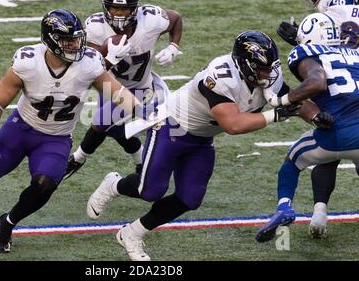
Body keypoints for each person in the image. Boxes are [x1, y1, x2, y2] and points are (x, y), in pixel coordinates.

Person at [0, 9, 152, 254]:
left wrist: (146, 114)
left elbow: (119, 93)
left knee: (45, 184)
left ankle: (8, 221)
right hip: (21, 129)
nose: (75, 44)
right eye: (67, 40)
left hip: (56, 138)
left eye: (77, 38)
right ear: (50, 40)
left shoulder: (90, 63)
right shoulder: (28, 61)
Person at [85, 31, 331, 261]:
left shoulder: (268, 74)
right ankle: (113, 184)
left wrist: (317, 116)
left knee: (190, 198)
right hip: (172, 126)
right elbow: (233, 125)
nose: (268, 74)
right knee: (150, 190)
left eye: (270, 68)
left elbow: (296, 99)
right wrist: (276, 115)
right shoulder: (220, 77)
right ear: (243, 64)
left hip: (201, 138)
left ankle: (132, 233)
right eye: (262, 69)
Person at [65, 0, 183, 178]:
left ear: (135, 8)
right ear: (106, 7)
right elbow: (86, 64)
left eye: (124, 9)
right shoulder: (94, 27)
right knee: (113, 129)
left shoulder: (152, 19)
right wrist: (108, 55)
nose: (119, 14)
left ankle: (77, 159)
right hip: (109, 85)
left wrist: (173, 46)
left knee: (101, 122)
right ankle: (141, 162)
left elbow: (176, 18)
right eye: (114, 8)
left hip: (141, 88)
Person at [256, 14, 359, 243]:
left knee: (292, 162)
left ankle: (284, 207)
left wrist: (281, 101)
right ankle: (319, 213)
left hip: (336, 137)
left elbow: (317, 82)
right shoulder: (355, 52)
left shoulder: (304, 53)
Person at [276, 0, 359, 238]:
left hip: (344, 86)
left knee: (331, 136)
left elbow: (336, 50)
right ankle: (320, 213)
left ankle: (311, 211)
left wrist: (302, 45)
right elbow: (343, 47)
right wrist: (301, 40)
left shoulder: (343, 2)